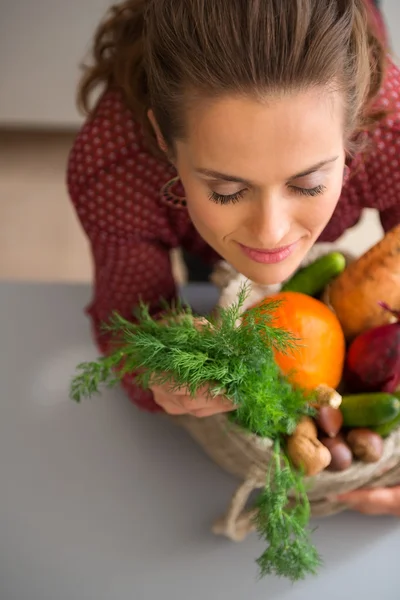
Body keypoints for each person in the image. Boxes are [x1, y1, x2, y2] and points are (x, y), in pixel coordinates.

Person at [67, 0, 400, 515]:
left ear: (356, 129)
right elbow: (128, 327)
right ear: (162, 138)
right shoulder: (117, 167)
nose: (271, 234)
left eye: (308, 183)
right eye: (225, 190)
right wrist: (160, 368)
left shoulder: (390, 127)